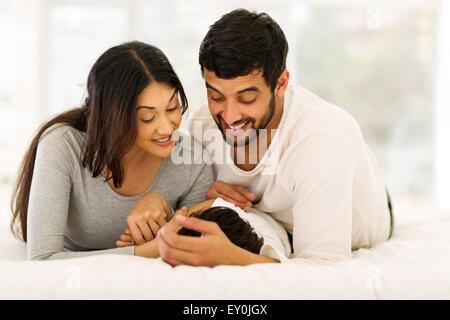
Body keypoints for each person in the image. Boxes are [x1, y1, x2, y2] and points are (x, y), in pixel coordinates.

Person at [156, 9, 394, 266]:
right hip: (272, 221)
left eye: (246, 98)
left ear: (281, 84)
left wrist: (238, 259)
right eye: (216, 96)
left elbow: (325, 268)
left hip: (364, 217)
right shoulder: (203, 124)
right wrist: (208, 195)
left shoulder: (322, 137)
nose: (230, 116)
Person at [10, 41, 214, 260]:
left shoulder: (194, 159)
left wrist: (165, 212)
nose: (167, 127)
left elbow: (191, 242)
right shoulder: (62, 145)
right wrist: (144, 251)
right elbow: (44, 258)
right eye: (147, 117)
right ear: (114, 117)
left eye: (172, 108)